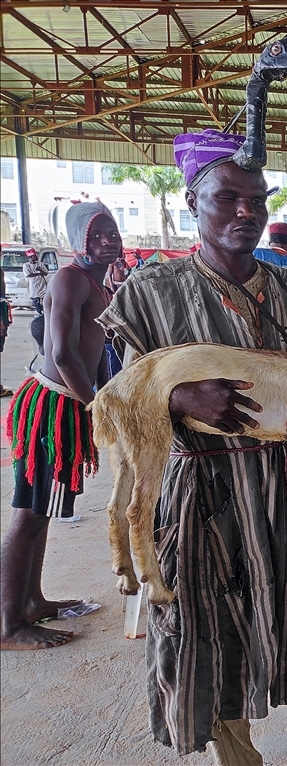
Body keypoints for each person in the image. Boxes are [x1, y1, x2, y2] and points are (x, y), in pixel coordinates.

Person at [97, 130, 287, 764]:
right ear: (193, 201)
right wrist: (178, 401)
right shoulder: (150, 294)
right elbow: (116, 401)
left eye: (257, 199)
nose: (247, 212)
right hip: (204, 504)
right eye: (228, 198)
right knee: (212, 638)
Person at [2, 202, 122, 650]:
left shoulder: (97, 281)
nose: (109, 241)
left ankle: (33, 602)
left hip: (65, 404)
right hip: (53, 407)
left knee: (42, 512)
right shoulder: (71, 278)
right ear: (79, 241)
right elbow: (64, 355)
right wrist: (96, 406)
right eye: (98, 234)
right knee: (29, 516)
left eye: (113, 233)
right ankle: (10, 624)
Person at [22, 248, 48, 315]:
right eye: (35, 256)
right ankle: (39, 313)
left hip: (42, 285)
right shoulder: (26, 265)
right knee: (36, 300)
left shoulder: (40, 264)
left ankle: (45, 313)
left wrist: (40, 270)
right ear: (30, 257)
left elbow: (46, 273)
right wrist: (39, 273)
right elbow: (29, 274)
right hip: (33, 286)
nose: (36, 257)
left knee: (46, 300)